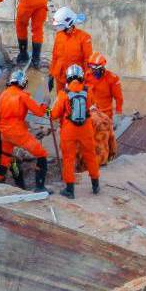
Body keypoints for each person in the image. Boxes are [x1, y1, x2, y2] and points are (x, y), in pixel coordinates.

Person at [50, 64, 100, 199]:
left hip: (69, 130)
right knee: (91, 156)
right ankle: (95, 185)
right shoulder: (88, 91)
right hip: (86, 129)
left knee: (68, 159)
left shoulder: (63, 93)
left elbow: (54, 114)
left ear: (68, 77)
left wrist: (47, 110)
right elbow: (92, 105)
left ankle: (70, 190)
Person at [0, 70, 52, 193]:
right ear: (22, 82)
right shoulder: (23, 96)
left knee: (5, 156)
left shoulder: (3, 94)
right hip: (17, 132)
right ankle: (40, 186)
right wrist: (46, 103)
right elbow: (39, 112)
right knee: (42, 154)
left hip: (4, 132)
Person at [47, 6, 92, 92]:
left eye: (60, 25)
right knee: (60, 99)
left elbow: (88, 61)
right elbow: (55, 57)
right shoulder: (59, 36)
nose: (58, 28)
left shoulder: (84, 38)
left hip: (75, 80)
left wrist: (86, 81)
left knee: (73, 100)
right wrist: (51, 75)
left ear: (68, 23)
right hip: (60, 78)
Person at [84, 52, 123, 118]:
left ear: (102, 67)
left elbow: (118, 98)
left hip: (105, 114)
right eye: (91, 68)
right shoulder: (87, 76)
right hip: (90, 112)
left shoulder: (112, 79)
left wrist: (118, 112)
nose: (93, 71)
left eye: (95, 69)